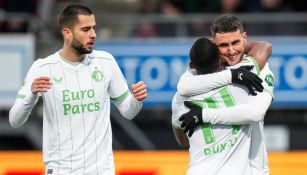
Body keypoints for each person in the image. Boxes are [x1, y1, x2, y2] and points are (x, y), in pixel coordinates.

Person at [9, 4, 147, 175]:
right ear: (67, 33)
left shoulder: (106, 62)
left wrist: (136, 100)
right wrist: (30, 95)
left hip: (101, 170)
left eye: (94, 28)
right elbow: (15, 121)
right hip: (61, 170)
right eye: (86, 29)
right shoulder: (42, 68)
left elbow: (128, 112)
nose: (93, 35)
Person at [175, 14, 274, 174]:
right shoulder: (199, 74)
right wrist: (232, 75)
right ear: (214, 46)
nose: (231, 50)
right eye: (223, 45)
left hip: (254, 170)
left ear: (245, 38)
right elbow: (183, 87)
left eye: (236, 42)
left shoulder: (260, 72)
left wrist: (204, 115)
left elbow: (256, 112)